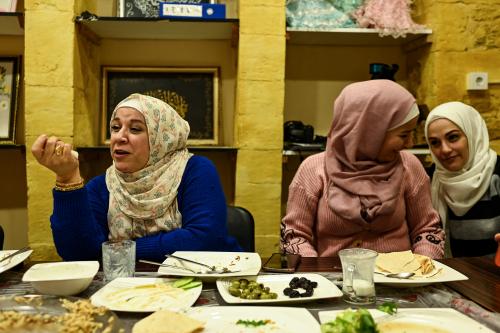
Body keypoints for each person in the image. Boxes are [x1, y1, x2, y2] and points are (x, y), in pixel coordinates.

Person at [31, 93, 241, 262]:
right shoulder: (102, 186)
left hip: (210, 284)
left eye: (135, 129)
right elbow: (78, 254)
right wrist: (68, 178)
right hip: (127, 289)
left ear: (162, 138)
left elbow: (203, 239)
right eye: (115, 127)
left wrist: (121, 250)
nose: (119, 137)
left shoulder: (195, 170)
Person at [280, 80, 444, 258]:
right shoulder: (313, 169)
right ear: (369, 131)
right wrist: (320, 275)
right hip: (333, 281)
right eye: (403, 135)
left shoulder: (409, 166)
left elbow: (428, 230)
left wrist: (421, 269)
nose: (410, 144)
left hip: (402, 280)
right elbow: (294, 235)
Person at [425, 101, 500, 257]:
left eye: (453, 137)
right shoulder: (431, 177)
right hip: (448, 276)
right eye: (435, 143)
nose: (444, 150)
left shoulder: (498, 174)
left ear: (472, 134)